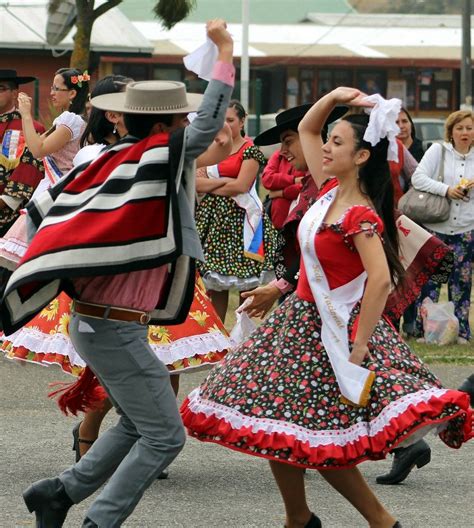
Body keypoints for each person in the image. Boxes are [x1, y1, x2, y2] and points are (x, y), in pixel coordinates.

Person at [180, 88, 472, 528]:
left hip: (331, 331)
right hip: (296, 324)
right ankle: (299, 517)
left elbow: (378, 280)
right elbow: (306, 127)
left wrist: (359, 345)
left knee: (317, 437)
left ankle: (379, 520)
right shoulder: (329, 188)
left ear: (360, 157)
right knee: (277, 425)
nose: (327, 146)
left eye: (338, 142)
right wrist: (335, 96)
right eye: (329, 140)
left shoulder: (359, 213)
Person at [1, 19, 235, 527]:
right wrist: (226, 52)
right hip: (112, 326)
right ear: (170, 124)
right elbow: (211, 121)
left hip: (100, 323)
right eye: (180, 121)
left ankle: (59, 493)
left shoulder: (105, 160)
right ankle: (98, 520)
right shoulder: (154, 158)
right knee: (166, 436)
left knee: (136, 421)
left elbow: (43, 210)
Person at [195, 99, 280, 322]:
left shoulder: (250, 151)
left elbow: (241, 186)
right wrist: (225, 184)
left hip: (243, 221)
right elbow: (196, 183)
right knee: (218, 285)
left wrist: (213, 184)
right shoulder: (209, 150)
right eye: (220, 120)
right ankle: (219, 337)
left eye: (230, 120)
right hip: (213, 222)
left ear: (242, 122)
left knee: (245, 282)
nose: (225, 124)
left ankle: (243, 336)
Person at [0, 68, 88, 272]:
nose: (51, 92)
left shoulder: (70, 120)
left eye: (56, 88)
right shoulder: (68, 120)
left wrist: (25, 116)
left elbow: (36, 152)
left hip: (40, 198)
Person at [411, 109, 474, 344]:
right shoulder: (438, 151)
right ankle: (426, 330)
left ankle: (461, 332)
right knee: (430, 281)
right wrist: (447, 190)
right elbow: (418, 178)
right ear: (451, 131)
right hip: (437, 226)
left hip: (466, 228)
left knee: (462, 283)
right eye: (459, 128)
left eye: (469, 128)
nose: (464, 133)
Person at [0, 70, 44, 238]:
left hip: (10, 216)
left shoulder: (31, 128)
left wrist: (6, 201)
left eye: (1, 88)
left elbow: (30, 167)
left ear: (14, 93)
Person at [261, 147, 305, 230]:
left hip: (298, 225)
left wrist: (281, 192)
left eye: (288, 142)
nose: (283, 148)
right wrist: (294, 180)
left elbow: (306, 186)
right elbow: (267, 179)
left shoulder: (308, 158)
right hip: (275, 224)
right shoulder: (279, 155)